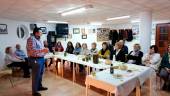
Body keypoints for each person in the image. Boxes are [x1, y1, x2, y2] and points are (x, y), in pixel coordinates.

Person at [27, 28, 49, 96]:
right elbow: (32, 50)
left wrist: (45, 51)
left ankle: (39, 86)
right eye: (41, 32)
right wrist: (43, 50)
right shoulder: (31, 39)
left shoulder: (40, 39)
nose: (42, 33)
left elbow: (41, 49)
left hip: (41, 58)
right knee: (36, 75)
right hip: (35, 59)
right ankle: (34, 92)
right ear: (36, 33)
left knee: (40, 74)